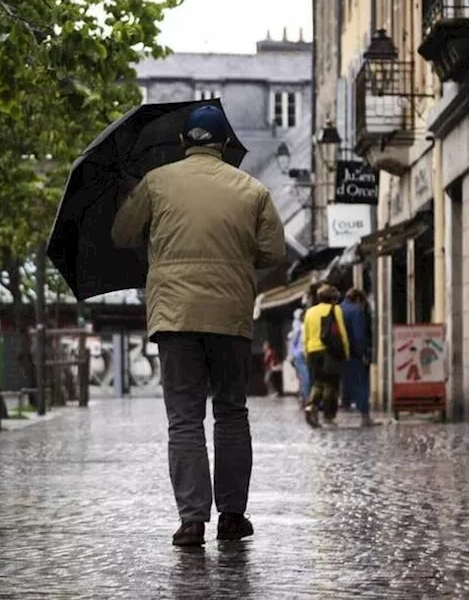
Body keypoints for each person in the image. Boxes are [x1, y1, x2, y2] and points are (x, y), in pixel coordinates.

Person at [111, 104, 286, 547]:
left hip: (175, 316)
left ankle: (192, 520)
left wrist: (138, 203)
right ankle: (231, 515)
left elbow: (121, 235)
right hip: (230, 316)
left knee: (185, 419)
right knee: (231, 412)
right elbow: (274, 253)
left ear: (184, 143)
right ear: (226, 145)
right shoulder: (252, 189)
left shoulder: (157, 182)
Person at [302, 284, 350, 428]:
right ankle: (328, 417)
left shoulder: (309, 312)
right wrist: (346, 352)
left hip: (312, 351)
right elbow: (341, 332)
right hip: (330, 351)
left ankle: (311, 406)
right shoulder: (335, 309)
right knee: (331, 383)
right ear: (333, 298)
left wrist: (306, 353)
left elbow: (306, 335)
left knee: (318, 382)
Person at [341, 288, 375, 426]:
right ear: (359, 299)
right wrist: (364, 353)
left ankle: (330, 415)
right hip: (354, 354)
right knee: (361, 384)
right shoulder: (356, 311)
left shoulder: (338, 309)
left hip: (338, 354)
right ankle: (365, 416)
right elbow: (359, 336)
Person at [287, 308, 310, 405]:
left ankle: (304, 398)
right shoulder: (298, 327)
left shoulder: (299, 326)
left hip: (302, 355)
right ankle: (307, 400)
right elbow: (293, 342)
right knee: (305, 378)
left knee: (303, 378)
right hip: (301, 355)